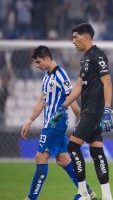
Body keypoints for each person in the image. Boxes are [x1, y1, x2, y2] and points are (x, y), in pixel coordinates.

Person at [21, 46, 96, 200]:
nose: (37, 65)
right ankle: (87, 192)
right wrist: (29, 120)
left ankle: (31, 198)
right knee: (63, 159)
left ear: (47, 58)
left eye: (38, 62)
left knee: (40, 157)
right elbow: (42, 101)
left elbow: (72, 100)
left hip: (55, 123)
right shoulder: (47, 76)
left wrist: (84, 121)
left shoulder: (61, 76)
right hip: (51, 123)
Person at [61, 23, 113, 200]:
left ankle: (83, 192)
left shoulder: (98, 55)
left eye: (75, 37)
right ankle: (107, 196)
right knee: (96, 150)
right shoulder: (85, 58)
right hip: (87, 110)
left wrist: (107, 110)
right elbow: (78, 86)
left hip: (94, 110)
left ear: (86, 37)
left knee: (73, 146)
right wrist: (63, 106)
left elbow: (107, 83)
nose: (73, 41)